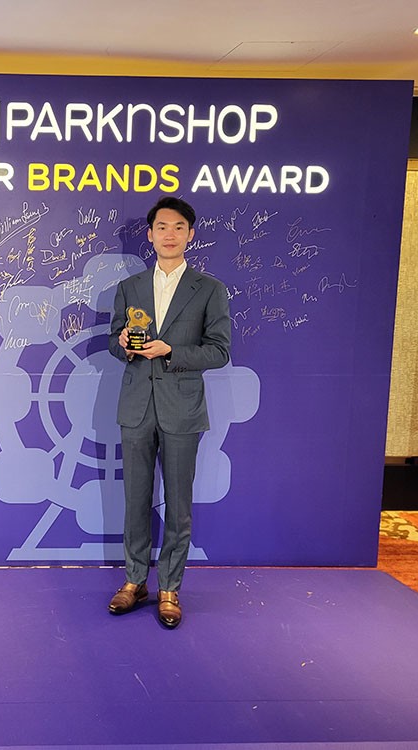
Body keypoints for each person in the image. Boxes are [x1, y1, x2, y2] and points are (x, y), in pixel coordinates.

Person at [107, 196, 231, 627]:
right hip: (136, 408)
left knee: (178, 505)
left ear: (190, 234)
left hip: (182, 409)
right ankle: (134, 581)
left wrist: (170, 351)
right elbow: (114, 341)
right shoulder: (130, 287)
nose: (169, 234)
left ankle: (170, 588)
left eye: (179, 227)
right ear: (150, 234)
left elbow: (219, 351)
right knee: (134, 501)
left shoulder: (209, 289)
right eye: (162, 227)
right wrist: (124, 345)